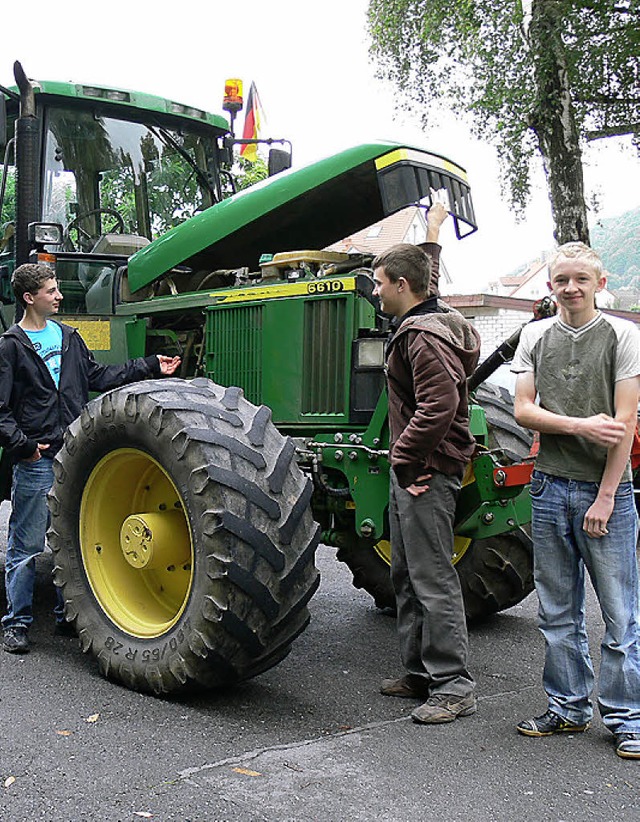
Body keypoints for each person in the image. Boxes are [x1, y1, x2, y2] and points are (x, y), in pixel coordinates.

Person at [0, 262, 181, 654]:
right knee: (27, 544)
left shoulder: (69, 337)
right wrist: (25, 447)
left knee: (72, 539)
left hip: (72, 456)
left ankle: (68, 617)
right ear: (30, 298)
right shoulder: (11, 346)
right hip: (37, 460)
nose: (59, 295)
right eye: (51, 290)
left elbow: (98, 378)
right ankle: (16, 623)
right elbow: (0, 410)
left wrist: (151, 366)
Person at [511, 241, 640, 760]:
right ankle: (567, 707)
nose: (570, 288)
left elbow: (624, 426)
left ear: (599, 284)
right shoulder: (535, 335)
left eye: (580, 280)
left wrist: (606, 497)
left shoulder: (623, 336)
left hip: (605, 490)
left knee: (620, 615)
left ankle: (628, 719)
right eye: (561, 279)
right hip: (548, 487)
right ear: (550, 287)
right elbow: (522, 410)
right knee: (557, 611)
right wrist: (578, 424)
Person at [373, 204, 481, 724]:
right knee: (406, 574)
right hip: (419, 468)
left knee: (433, 576)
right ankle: (418, 672)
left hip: (427, 472)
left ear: (400, 285)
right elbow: (426, 270)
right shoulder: (428, 311)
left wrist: (405, 460)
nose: (374, 292)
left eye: (378, 284)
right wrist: (433, 231)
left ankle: (454, 686)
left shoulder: (422, 337)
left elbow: (440, 407)